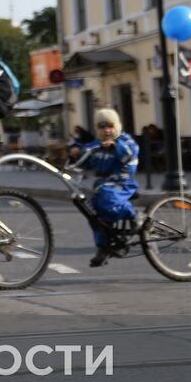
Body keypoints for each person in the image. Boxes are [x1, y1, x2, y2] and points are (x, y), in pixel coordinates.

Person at [69, 108, 140, 267]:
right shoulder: (96, 144)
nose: (107, 130)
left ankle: (134, 215)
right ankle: (103, 247)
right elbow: (85, 151)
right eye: (102, 127)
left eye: (110, 126)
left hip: (122, 183)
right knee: (93, 213)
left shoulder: (126, 140)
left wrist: (116, 146)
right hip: (102, 185)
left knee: (108, 198)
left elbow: (130, 153)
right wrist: (75, 150)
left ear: (117, 125)